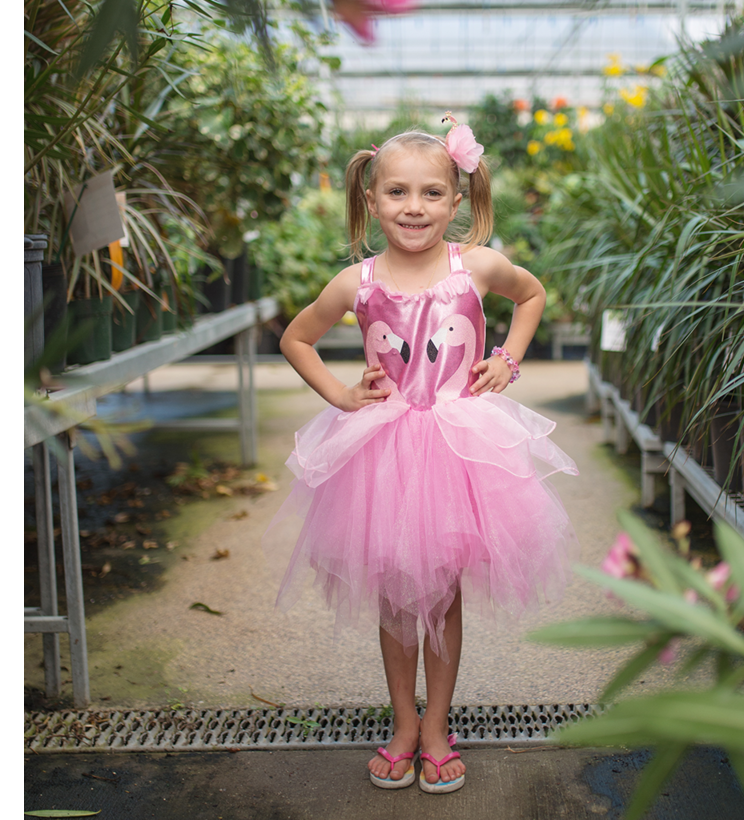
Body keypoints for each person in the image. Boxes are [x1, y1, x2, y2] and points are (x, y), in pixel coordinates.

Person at [263, 116, 579, 794]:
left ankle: (436, 727)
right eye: (398, 193)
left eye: (432, 194)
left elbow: (532, 294)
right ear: (372, 200)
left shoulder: (478, 266)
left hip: (460, 449)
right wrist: (342, 396)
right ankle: (403, 724)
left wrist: (507, 360)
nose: (415, 208)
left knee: (441, 593)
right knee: (394, 599)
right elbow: (296, 338)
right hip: (383, 456)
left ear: (457, 200)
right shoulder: (359, 281)